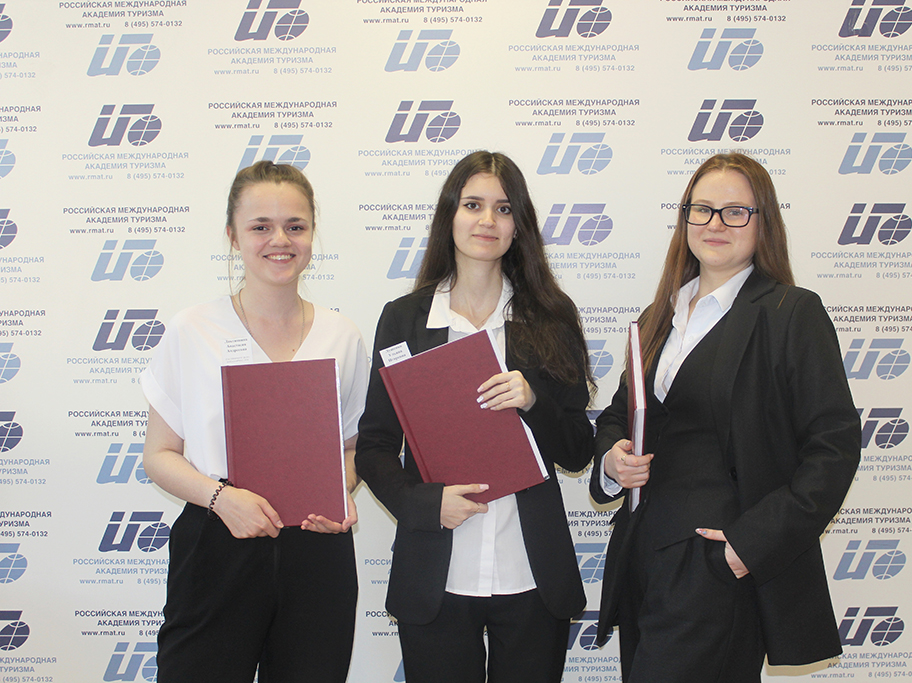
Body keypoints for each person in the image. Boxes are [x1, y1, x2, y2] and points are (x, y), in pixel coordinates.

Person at [590, 153, 861, 682]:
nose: (715, 224)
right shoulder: (657, 317)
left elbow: (835, 447)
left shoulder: (790, 313)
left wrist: (749, 545)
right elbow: (618, 416)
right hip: (641, 556)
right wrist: (611, 460)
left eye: (736, 211)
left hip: (716, 564)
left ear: (763, 222)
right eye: (702, 209)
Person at [356, 151, 594, 683]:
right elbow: (373, 447)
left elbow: (579, 449)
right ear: (450, 216)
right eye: (472, 205)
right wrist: (425, 504)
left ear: (519, 225)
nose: (488, 220)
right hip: (437, 575)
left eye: (503, 208)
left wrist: (534, 401)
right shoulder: (404, 319)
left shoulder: (552, 317)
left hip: (531, 574)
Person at [141, 161, 369, 683]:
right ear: (232, 235)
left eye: (295, 225)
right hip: (218, 539)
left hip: (316, 546)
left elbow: (354, 448)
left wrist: (337, 493)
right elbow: (158, 455)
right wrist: (223, 499)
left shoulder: (341, 335)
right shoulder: (193, 330)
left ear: (312, 233)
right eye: (260, 226)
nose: (279, 240)